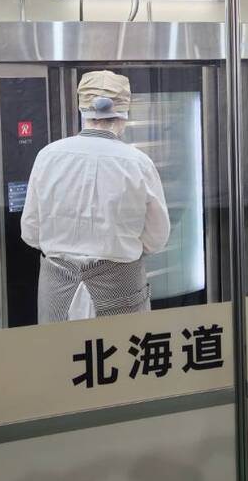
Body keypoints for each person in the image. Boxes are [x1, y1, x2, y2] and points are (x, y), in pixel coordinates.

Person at [21, 70, 171, 323]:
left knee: (57, 348)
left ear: (82, 110)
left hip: (57, 288)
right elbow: (156, 238)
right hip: (120, 287)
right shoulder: (138, 163)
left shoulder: (48, 156)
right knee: (122, 346)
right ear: (123, 114)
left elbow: (30, 231)